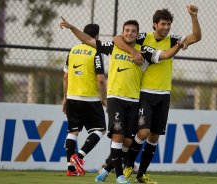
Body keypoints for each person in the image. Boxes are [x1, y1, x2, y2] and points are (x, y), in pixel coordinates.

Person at [60, 17, 184, 184]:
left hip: (134, 100)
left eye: (133, 31)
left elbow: (165, 55)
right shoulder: (113, 46)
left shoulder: (144, 51)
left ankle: (105, 170)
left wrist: (178, 45)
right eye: (127, 30)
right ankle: (119, 176)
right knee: (118, 136)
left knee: (128, 140)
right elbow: (88, 39)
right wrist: (72, 27)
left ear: (137, 34)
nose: (130, 33)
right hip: (115, 98)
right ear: (122, 32)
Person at [113, 4, 202, 184]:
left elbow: (197, 37)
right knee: (144, 132)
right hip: (145, 93)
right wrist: (132, 50)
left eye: (169, 24)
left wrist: (193, 16)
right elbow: (117, 39)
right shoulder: (143, 37)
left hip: (164, 94)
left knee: (154, 136)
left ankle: (141, 175)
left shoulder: (173, 40)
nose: (166, 27)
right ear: (155, 24)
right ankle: (129, 164)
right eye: (163, 24)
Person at [62, 23, 107, 177]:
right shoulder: (96, 52)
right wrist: (104, 98)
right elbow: (100, 80)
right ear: (96, 36)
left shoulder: (72, 51)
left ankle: (71, 169)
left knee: (72, 131)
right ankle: (79, 157)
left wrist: (65, 98)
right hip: (90, 98)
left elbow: (66, 77)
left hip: (72, 97)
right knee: (100, 129)